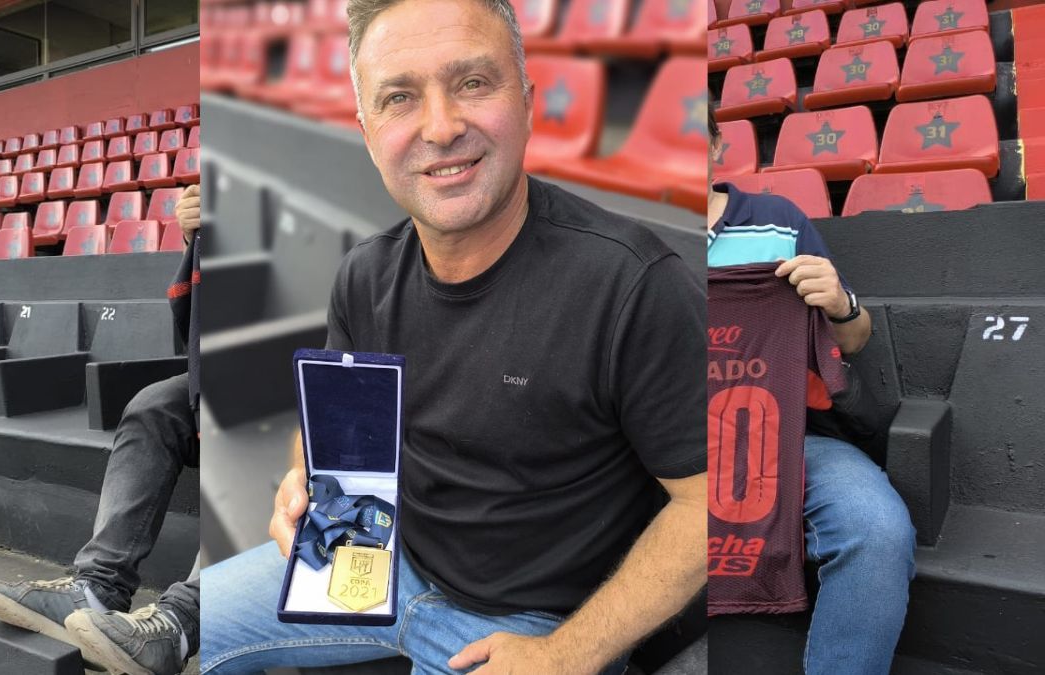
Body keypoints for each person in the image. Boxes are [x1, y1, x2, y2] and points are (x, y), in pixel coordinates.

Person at [199, 0, 707, 672]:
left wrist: (567, 653)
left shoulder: (634, 285)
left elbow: (709, 503)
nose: (440, 127)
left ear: (527, 102)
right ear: (368, 127)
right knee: (198, 631)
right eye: (400, 97)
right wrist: (302, 473)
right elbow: (330, 427)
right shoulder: (365, 274)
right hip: (379, 566)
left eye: (472, 83)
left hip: (538, 625)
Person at [708, 115, 916, 674]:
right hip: (666, 446)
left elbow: (852, 338)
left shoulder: (778, 222)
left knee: (875, 529)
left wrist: (839, 302)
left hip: (790, 433)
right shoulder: (633, 237)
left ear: (715, 142)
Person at [0, 183, 204, 675]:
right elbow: (194, 328)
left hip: (296, 369)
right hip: (232, 359)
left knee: (247, 416)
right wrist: (196, 240)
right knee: (155, 406)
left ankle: (184, 622)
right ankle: (99, 588)